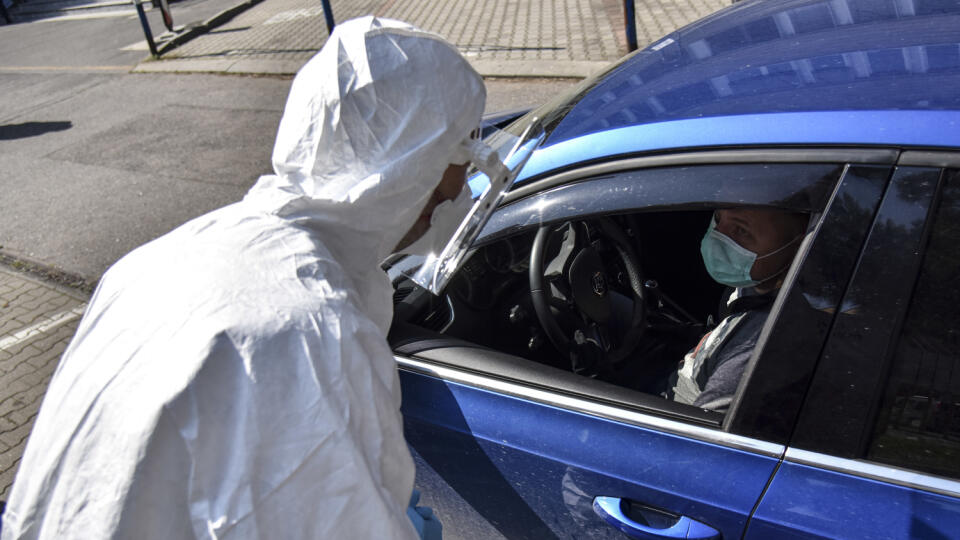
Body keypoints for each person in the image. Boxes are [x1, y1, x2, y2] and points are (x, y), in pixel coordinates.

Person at [1, 17, 487, 539]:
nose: (468, 180)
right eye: (464, 150)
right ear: (414, 164)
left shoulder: (169, 253)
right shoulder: (312, 335)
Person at [668, 207, 808, 412]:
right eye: (718, 218)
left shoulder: (755, 351)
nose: (717, 236)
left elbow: (704, 436)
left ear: (798, 247)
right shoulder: (761, 281)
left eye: (741, 231)